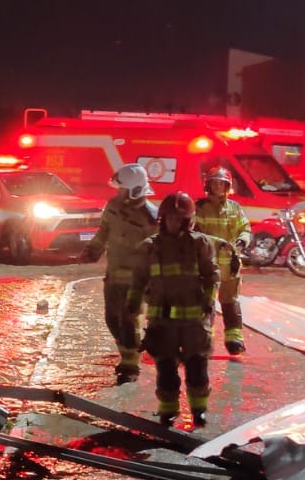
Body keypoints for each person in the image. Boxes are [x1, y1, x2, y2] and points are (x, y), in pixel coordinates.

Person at [131, 192, 219, 425]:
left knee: (197, 367)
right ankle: (168, 410)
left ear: (187, 220)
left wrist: (209, 302)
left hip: (193, 322)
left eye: (177, 219)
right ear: (162, 218)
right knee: (166, 369)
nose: (172, 223)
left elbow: (212, 277)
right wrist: (132, 308)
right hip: (161, 322)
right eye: (169, 218)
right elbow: (138, 280)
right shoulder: (149, 247)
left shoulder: (200, 243)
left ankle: (199, 409)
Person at [81, 164, 161, 385]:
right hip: (114, 275)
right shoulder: (113, 206)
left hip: (137, 280)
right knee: (111, 320)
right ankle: (130, 351)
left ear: (135, 190)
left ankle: (130, 366)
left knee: (128, 322)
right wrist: (93, 250)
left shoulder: (151, 216)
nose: (118, 192)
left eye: (122, 188)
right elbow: (104, 231)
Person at [193, 167, 253, 355]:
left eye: (222, 183)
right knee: (206, 303)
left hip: (230, 265)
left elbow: (245, 228)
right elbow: (193, 233)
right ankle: (204, 341)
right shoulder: (199, 207)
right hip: (206, 264)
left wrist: (243, 240)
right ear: (208, 184)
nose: (218, 186)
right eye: (214, 182)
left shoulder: (234, 208)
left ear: (227, 186)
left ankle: (234, 340)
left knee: (230, 302)